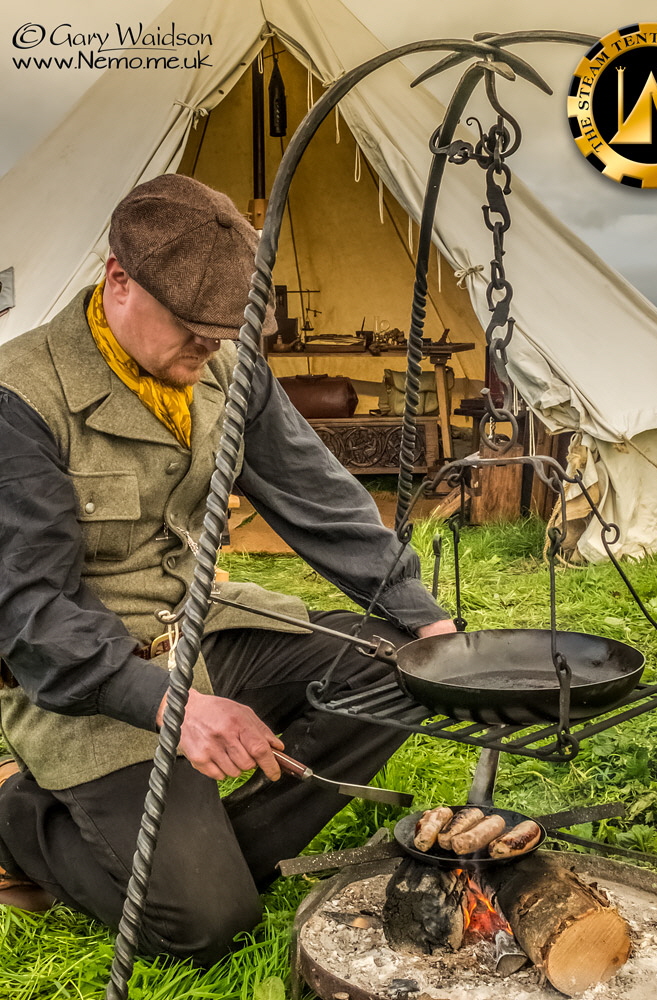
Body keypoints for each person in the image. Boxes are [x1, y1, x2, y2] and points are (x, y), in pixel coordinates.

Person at [0, 174, 455, 964]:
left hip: (203, 628)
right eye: (193, 328)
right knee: (205, 928)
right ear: (118, 281)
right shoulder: (22, 399)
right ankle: (19, 812)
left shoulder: (224, 367)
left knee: (402, 671)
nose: (210, 349)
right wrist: (179, 710)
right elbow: (31, 616)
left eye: (225, 330)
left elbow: (317, 496)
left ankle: (208, 849)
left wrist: (429, 622)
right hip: (89, 675)